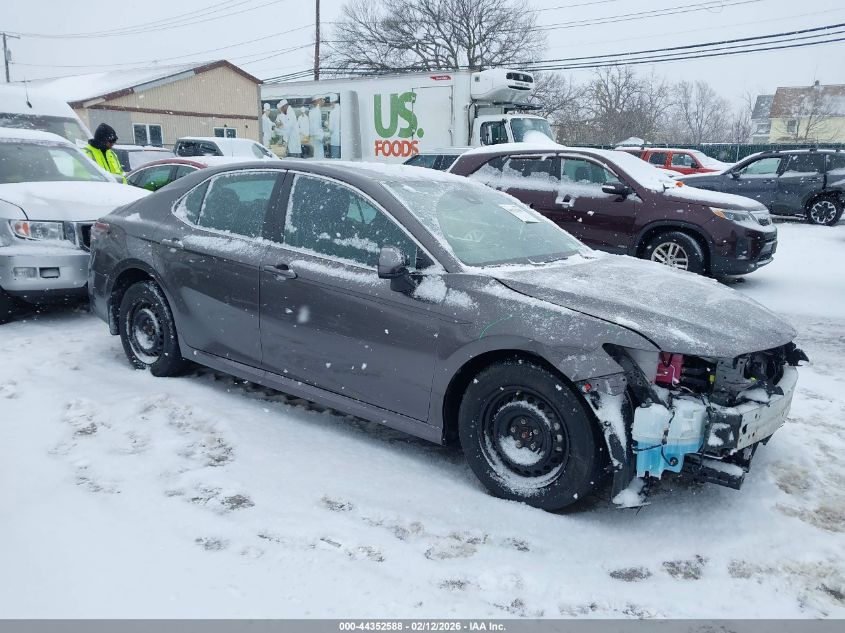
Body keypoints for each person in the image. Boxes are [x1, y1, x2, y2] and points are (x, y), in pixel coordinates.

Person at [308, 95, 325, 159]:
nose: (323, 101)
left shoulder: (313, 111)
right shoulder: (316, 111)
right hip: (317, 138)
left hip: (315, 138)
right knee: (319, 156)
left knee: (317, 155)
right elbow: (315, 127)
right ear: (318, 101)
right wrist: (322, 136)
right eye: (322, 100)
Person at [326, 94, 341, 159]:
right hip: (342, 142)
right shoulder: (342, 110)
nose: (330, 104)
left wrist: (327, 124)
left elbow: (331, 129)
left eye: (330, 103)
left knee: (335, 160)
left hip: (335, 141)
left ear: (332, 102)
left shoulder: (333, 112)